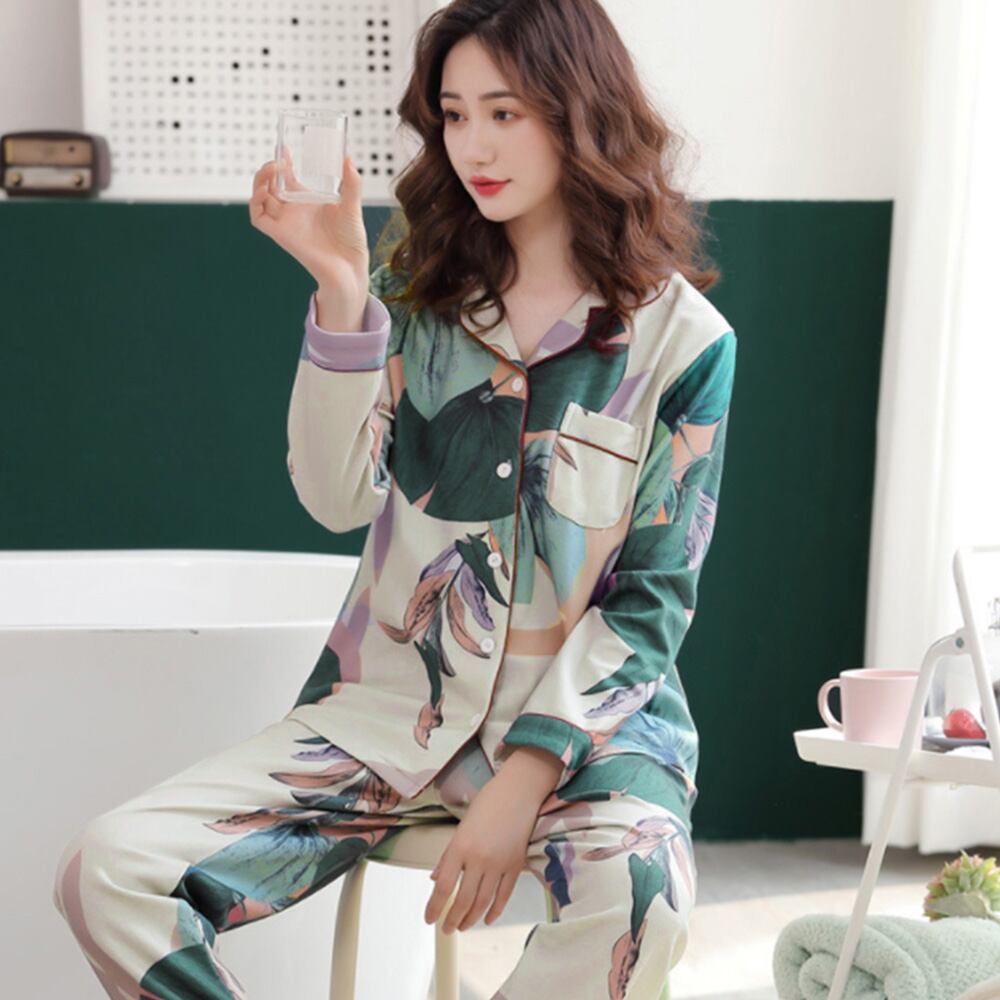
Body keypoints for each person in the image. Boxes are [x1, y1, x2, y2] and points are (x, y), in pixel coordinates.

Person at [52, 1, 737, 997]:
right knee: (107, 869)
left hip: (588, 742)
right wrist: (342, 290)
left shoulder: (686, 341)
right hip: (389, 718)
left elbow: (649, 601)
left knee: (643, 901)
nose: (473, 146)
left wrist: (525, 776)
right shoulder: (417, 296)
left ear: (579, 112)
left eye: (504, 112)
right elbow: (337, 498)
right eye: (453, 115)